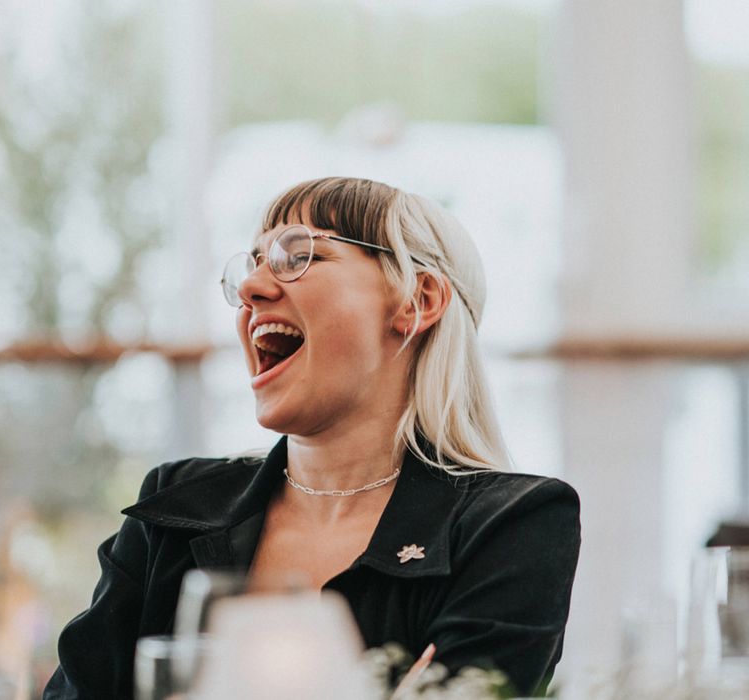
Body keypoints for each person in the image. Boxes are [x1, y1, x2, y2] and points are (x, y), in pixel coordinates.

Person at [44, 177, 580, 698]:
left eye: (299, 256)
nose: (251, 290)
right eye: (250, 267)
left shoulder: (514, 523)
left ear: (418, 300)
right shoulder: (176, 507)